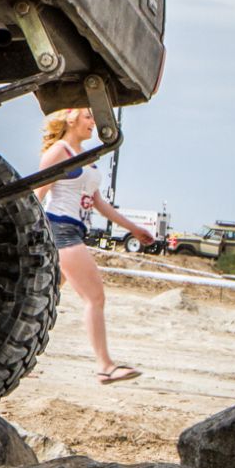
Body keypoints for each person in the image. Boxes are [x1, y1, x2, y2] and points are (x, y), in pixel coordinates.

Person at [36, 108, 155, 384]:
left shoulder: (86, 159)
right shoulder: (59, 152)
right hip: (61, 230)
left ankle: (14, 348)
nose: (94, 122)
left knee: (46, 296)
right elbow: (37, 194)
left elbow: (99, 203)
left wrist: (133, 229)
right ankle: (105, 366)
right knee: (95, 297)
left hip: (75, 230)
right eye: (88, 116)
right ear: (71, 118)